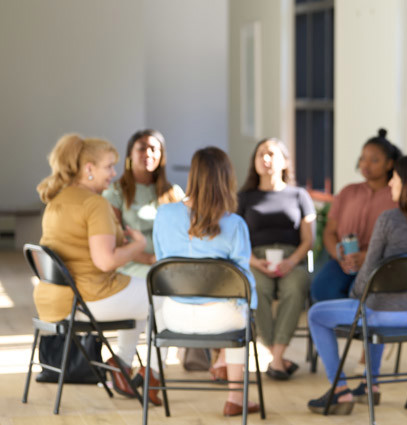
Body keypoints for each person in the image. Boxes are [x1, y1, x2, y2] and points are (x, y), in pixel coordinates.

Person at [306, 154, 407, 415]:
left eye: (395, 179)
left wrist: (355, 295)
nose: (390, 185)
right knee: (374, 307)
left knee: (318, 314)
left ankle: (340, 391)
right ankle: (369, 386)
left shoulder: (390, 219)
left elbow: (367, 276)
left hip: (387, 315)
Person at [34, 134, 163, 405]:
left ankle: (123, 367)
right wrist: (137, 244)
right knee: (160, 297)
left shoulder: (57, 200)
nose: (114, 173)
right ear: (89, 168)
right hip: (89, 299)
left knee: (142, 301)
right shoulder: (94, 204)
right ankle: (149, 376)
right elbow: (105, 262)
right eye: (109, 167)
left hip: (56, 301)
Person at [153, 146, 260, 416]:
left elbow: (162, 265)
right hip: (221, 320)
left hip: (174, 317)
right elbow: (243, 283)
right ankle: (236, 396)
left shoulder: (164, 215)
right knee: (245, 311)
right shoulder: (234, 224)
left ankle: (158, 376)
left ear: (193, 175)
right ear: (227, 179)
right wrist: (252, 311)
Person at [237, 138, 316, 380]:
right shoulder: (245, 197)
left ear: (285, 162)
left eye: (271, 154)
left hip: (292, 258)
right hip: (255, 259)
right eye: (261, 154)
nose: (266, 159)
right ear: (254, 162)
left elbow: (308, 239)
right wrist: (252, 260)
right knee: (257, 288)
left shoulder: (299, 195)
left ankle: (276, 356)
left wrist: (292, 261)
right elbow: (236, 236)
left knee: (295, 287)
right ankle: (279, 358)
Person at [310, 128, 402, 302]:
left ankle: (356, 329)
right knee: (321, 290)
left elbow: (399, 240)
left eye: (374, 160)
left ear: (389, 164)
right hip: (342, 262)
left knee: (360, 296)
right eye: (362, 159)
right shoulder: (347, 192)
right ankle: (340, 329)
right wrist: (340, 255)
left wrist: (367, 256)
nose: (366, 165)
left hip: (379, 264)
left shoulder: (396, 196)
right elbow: (330, 232)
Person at [102, 129, 184, 278]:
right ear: (130, 155)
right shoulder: (115, 193)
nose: (148, 154)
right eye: (141, 148)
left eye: (154, 149)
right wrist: (151, 260)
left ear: (162, 155)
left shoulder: (174, 193)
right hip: (132, 266)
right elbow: (114, 242)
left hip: (170, 264)